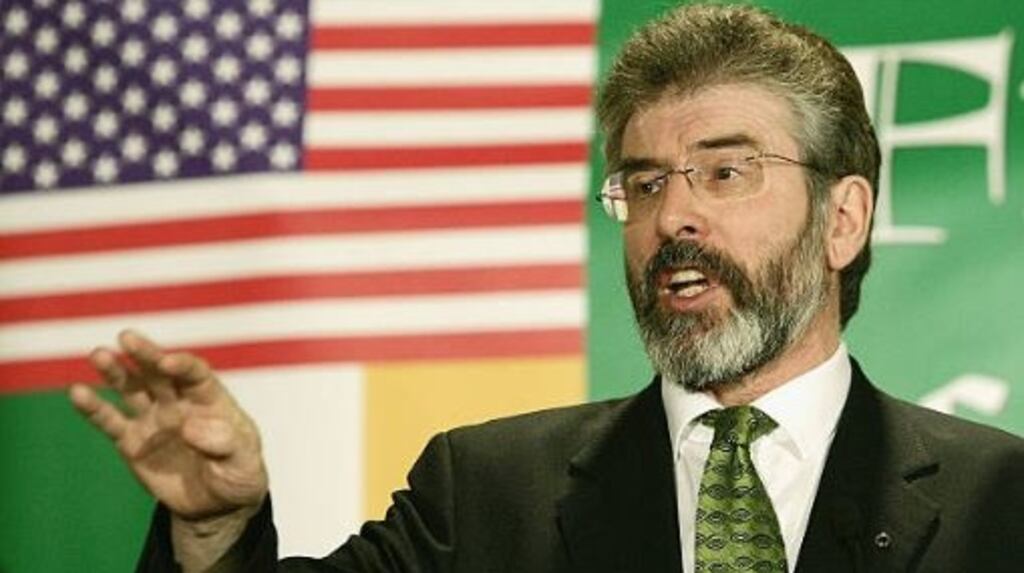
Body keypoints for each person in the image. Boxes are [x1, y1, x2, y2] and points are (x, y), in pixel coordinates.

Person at [70, 4, 1024, 572]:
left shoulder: (1002, 502)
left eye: (725, 172)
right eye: (644, 182)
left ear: (844, 219)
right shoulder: (485, 495)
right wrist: (218, 524)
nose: (673, 218)